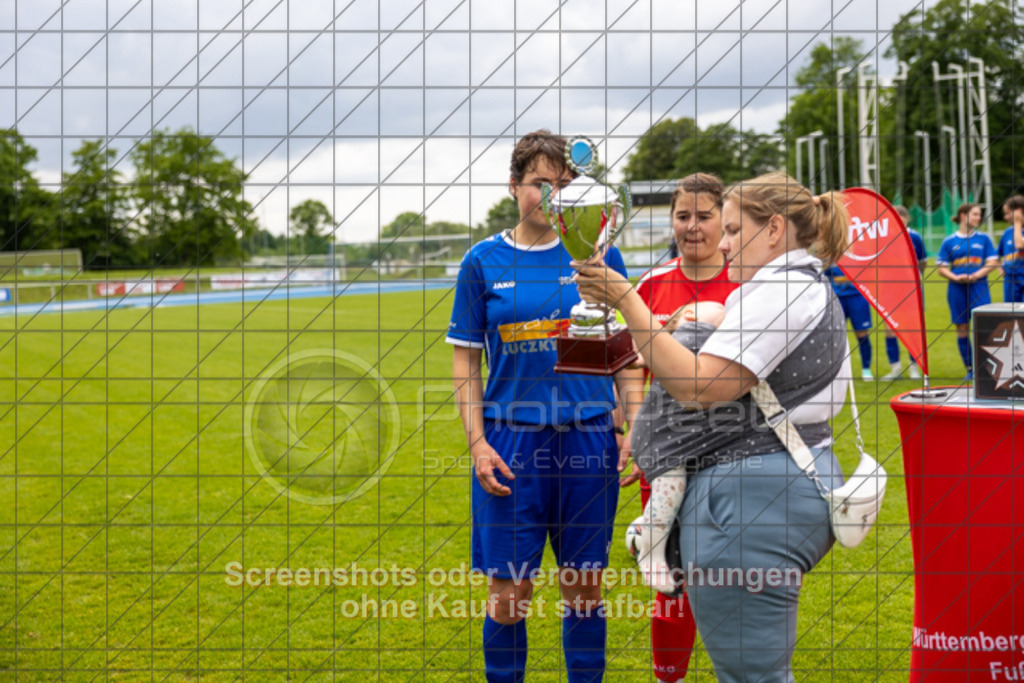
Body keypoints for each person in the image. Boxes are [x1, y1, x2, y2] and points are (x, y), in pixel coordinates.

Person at [574, 172, 852, 681]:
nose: (721, 244)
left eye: (729, 228)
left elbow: (698, 386)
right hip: (765, 489)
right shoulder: (791, 284)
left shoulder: (781, 291)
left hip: (752, 503)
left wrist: (626, 300)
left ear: (773, 229)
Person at [447, 129, 641, 683]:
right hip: (511, 441)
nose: (552, 197)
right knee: (510, 589)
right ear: (513, 186)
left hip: (588, 435)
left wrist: (632, 422)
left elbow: (624, 348)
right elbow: (465, 363)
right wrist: (478, 443)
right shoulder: (481, 261)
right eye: (540, 184)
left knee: (584, 584)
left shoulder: (600, 253)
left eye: (563, 185)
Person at [626, 172, 739, 682]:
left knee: (731, 575)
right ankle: (667, 677)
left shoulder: (748, 282)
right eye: (682, 216)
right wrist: (633, 427)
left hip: (736, 448)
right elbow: (630, 364)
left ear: (724, 219)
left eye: (704, 216)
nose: (692, 227)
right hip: (668, 448)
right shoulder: (651, 284)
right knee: (670, 575)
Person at [628, 300, 726, 594]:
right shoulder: (683, 338)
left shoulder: (684, 344)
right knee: (671, 487)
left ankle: (641, 528)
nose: (726, 318)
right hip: (660, 436)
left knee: (678, 498)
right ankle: (651, 553)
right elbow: (639, 356)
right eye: (720, 315)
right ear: (689, 316)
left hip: (681, 437)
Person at [936, 203, 999, 379]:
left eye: (979, 215)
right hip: (956, 289)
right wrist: (955, 277)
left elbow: (993, 262)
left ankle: (986, 369)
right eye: (976, 214)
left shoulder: (984, 239)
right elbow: (941, 267)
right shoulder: (949, 241)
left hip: (979, 287)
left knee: (983, 327)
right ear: (964, 215)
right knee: (962, 327)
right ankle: (970, 369)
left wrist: (977, 275)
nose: (979, 218)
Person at [881, 205, 928, 380]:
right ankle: (895, 369)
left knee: (912, 328)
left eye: (901, 217)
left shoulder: (914, 237)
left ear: (907, 218)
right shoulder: (884, 238)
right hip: (889, 289)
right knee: (890, 328)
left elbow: (923, 262)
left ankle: (914, 368)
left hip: (911, 289)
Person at [825, 264, 875, 379]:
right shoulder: (832, 254)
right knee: (835, 335)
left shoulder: (859, 253)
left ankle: (866, 369)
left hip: (857, 297)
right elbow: (824, 276)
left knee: (862, 334)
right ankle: (835, 370)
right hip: (838, 298)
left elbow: (870, 273)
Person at [997, 195, 1024, 303]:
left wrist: (1018, 223)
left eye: (1008, 213)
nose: (1005, 217)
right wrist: (1001, 270)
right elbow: (996, 256)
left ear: (1019, 211)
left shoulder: (1015, 229)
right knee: (1010, 315)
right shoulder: (1007, 233)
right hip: (1011, 281)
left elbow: (1020, 245)